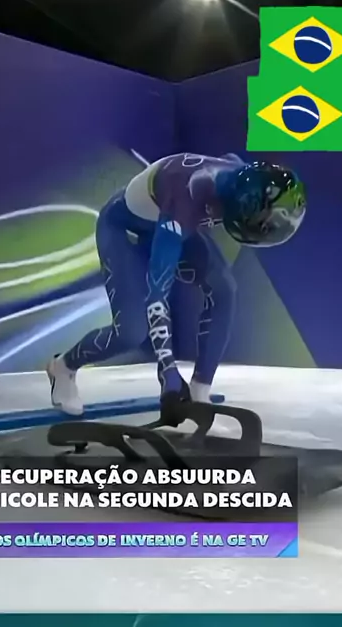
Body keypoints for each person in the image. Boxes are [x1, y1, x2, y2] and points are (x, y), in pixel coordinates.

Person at [48, 153, 307, 424]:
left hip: (167, 222)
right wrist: (168, 374)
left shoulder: (240, 177)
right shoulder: (186, 197)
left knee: (224, 290)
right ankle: (62, 367)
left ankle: (200, 390)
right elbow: (157, 294)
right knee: (131, 332)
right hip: (125, 231)